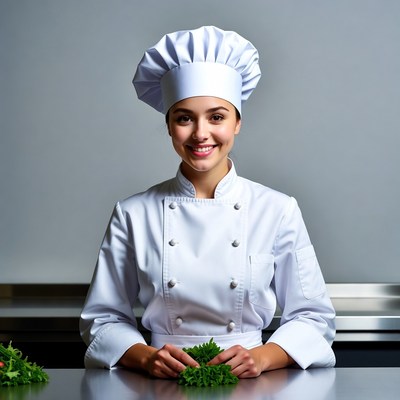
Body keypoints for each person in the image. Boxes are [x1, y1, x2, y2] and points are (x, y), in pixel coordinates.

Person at [80, 25, 336, 379]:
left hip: (252, 381)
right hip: (161, 381)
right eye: (184, 118)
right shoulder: (132, 213)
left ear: (237, 124)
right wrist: (145, 357)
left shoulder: (277, 209)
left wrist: (261, 357)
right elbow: (103, 318)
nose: (201, 133)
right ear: (169, 126)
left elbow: (313, 317)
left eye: (217, 117)